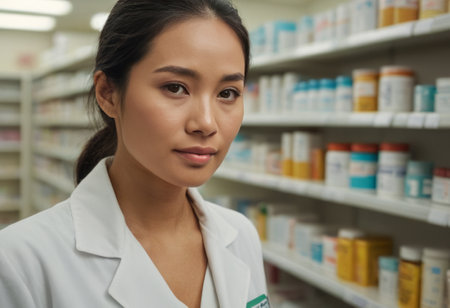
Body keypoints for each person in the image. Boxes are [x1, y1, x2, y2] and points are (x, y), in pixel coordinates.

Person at [0, 0, 269, 307]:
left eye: (227, 93)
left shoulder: (241, 235)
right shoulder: (19, 260)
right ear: (108, 93)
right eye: (175, 87)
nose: (206, 123)